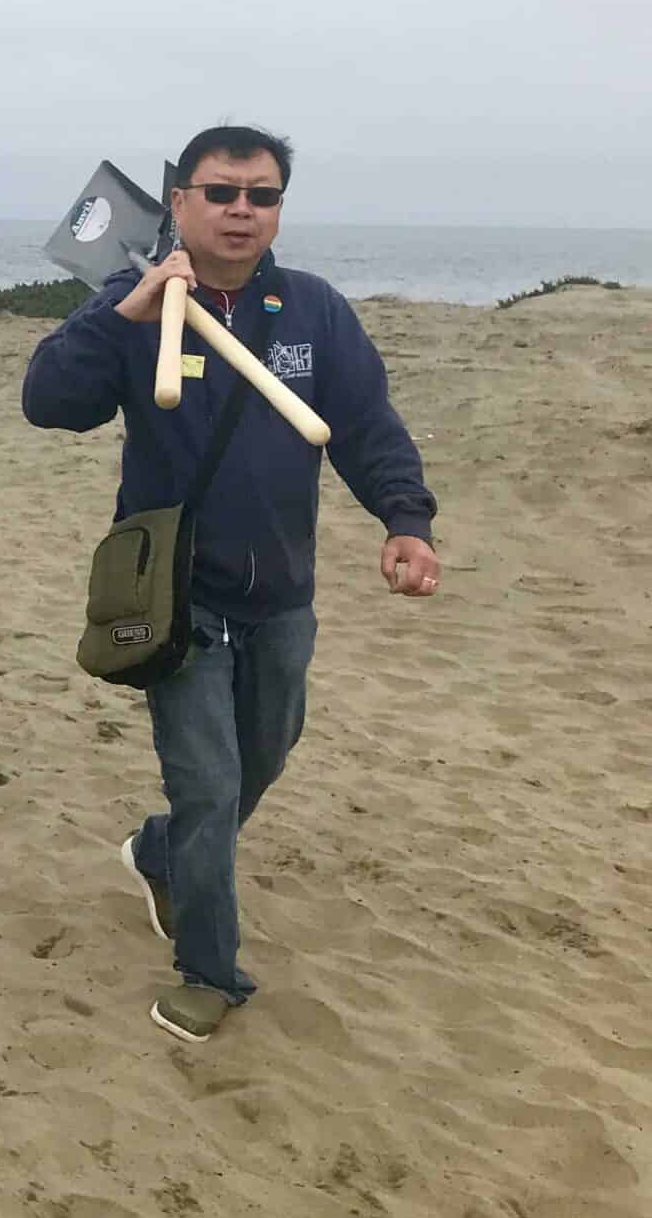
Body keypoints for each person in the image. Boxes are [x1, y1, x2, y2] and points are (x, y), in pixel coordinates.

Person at [22, 124, 440, 1046]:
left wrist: (406, 520)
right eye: (221, 193)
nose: (242, 210)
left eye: (262, 195)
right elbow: (48, 402)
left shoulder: (315, 312)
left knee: (262, 760)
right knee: (210, 785)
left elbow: (366, 425)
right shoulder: (131, 306)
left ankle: (159, 853)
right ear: (179, 203)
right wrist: (121, 312)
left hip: (283, 591)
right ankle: (209, 971)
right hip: (177, 591)